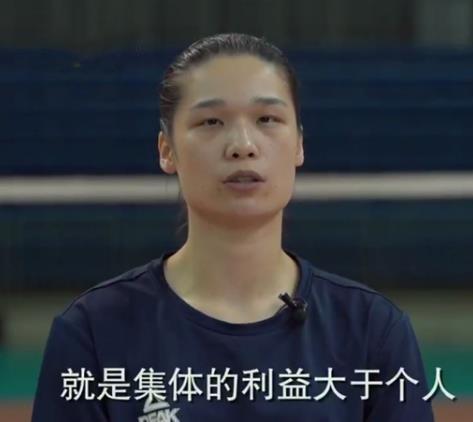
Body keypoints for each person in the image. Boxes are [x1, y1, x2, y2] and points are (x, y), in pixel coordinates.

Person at [32, 33, 435, 421]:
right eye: (211, 121)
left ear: (298, 144)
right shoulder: (94, 332)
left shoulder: (371, 330)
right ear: (167, 149)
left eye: (267, 119)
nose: (243, 145)